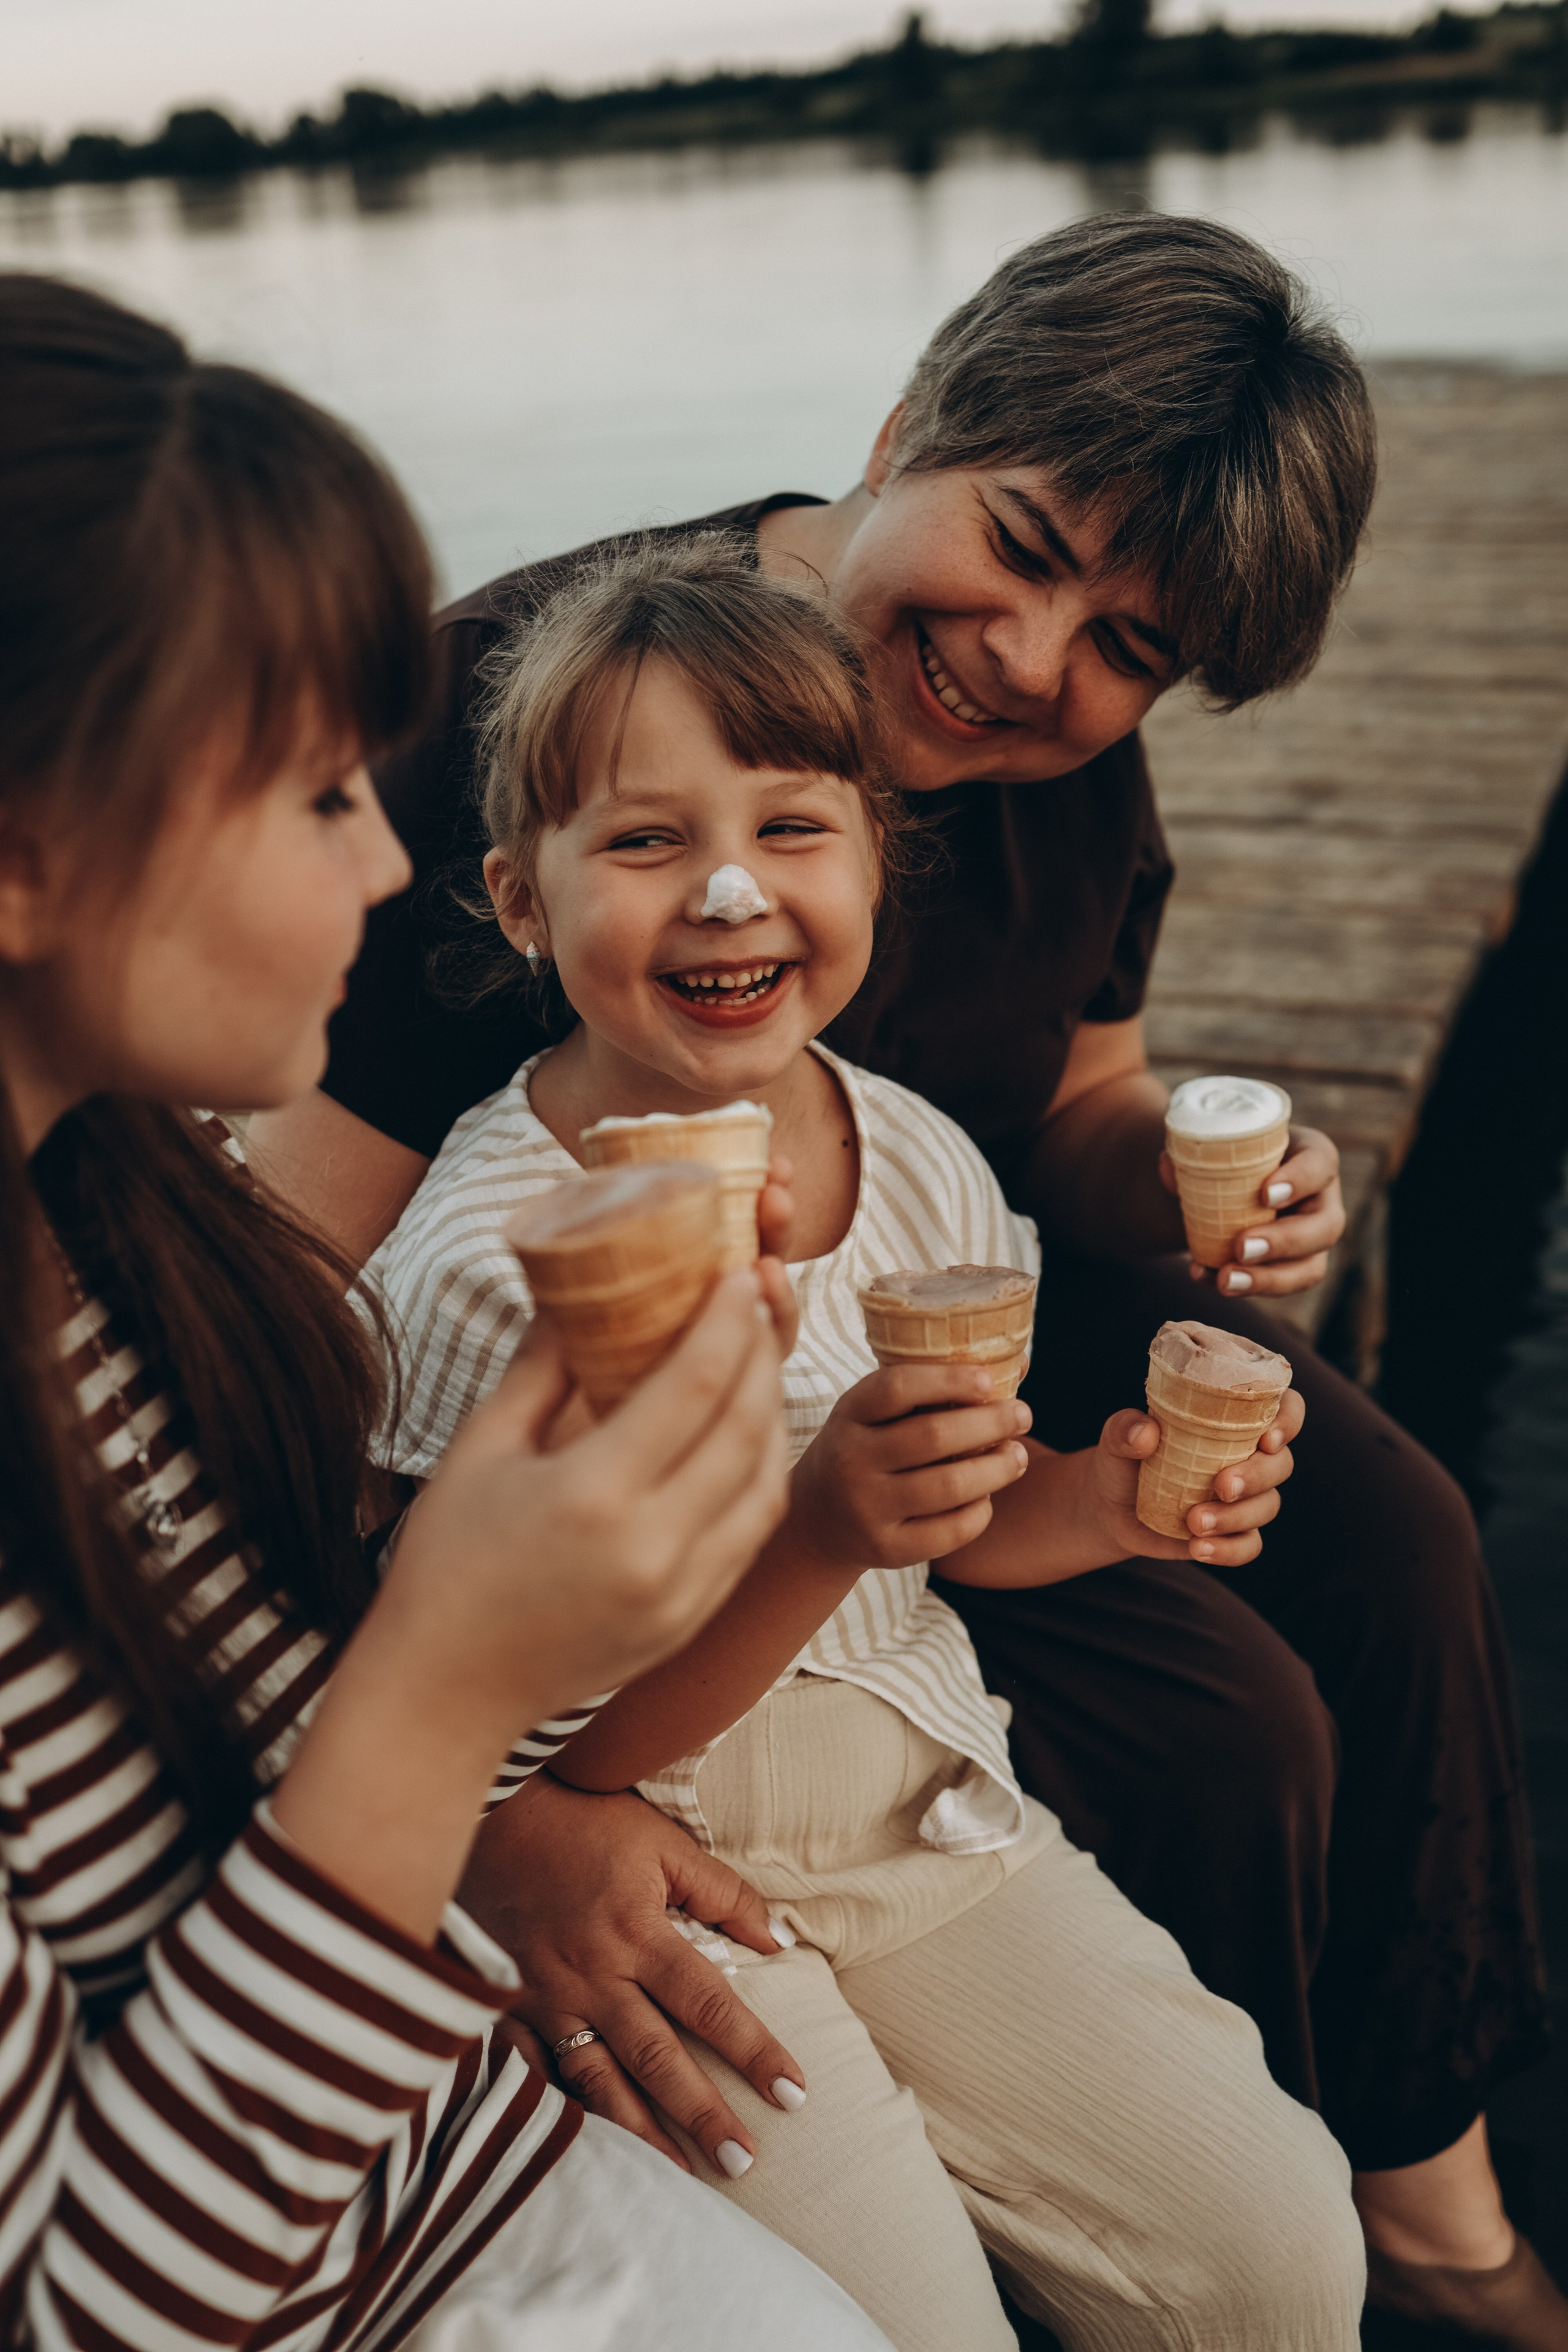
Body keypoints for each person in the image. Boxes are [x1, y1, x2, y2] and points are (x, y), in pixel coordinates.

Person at [254, 215, 1560, 2342]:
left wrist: (1243, 1193)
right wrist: (464, 1808)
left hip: (941, 1255)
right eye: (1023, 547)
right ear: (902, 431)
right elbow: (275, 1298)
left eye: (1129, 646)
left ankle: (1414, 2184)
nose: (1041, 663)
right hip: (601, 1432)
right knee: (1235, 1729)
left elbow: (1080, 1124)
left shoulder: (1068, 767)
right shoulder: (531, 701)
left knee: (1391, 1516)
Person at [0, 274, 894, 2352]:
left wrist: (572, 1548)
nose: (383, 877)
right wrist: (441, 1691)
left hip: (439, 2158)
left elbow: (350, 1775)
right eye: (321, 793)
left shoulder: (129, 1234)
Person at [364, 534, 1363, 2352]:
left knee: (1283, 2262)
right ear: (522, 900)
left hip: (930, 1818)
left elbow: (963, 1534)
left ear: (877, 866)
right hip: (655, 1890)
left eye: (794, 830)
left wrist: (1120, 1498)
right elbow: (546, 1758)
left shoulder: (910, 1158)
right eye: (646, 842)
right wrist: (818, 1526)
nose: (732, 894)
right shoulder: (489, 1269)